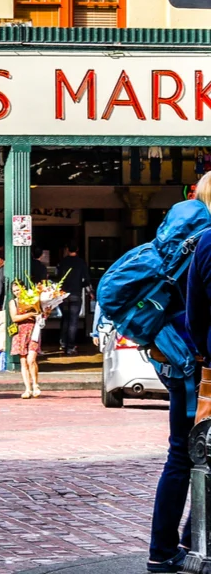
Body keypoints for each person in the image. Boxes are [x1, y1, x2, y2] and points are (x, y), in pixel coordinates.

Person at [158, 174, 211, 572]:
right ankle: (193, 544)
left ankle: (168, 549)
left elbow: (195, 314)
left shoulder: (193, 242)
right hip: (200, 366)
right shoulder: (205, 241)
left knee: (183, 453)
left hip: (184, 363)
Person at [56, 243, 91, 356]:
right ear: (77, 249)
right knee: (73, 321)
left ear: (67, 249)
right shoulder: (81, 262)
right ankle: (71, 347)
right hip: (76, 294)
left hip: (63, 294)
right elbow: (87, 279)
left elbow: (58, 277)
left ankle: (63, 343)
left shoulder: (63, 262)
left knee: (65, 319)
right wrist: (82, 286)